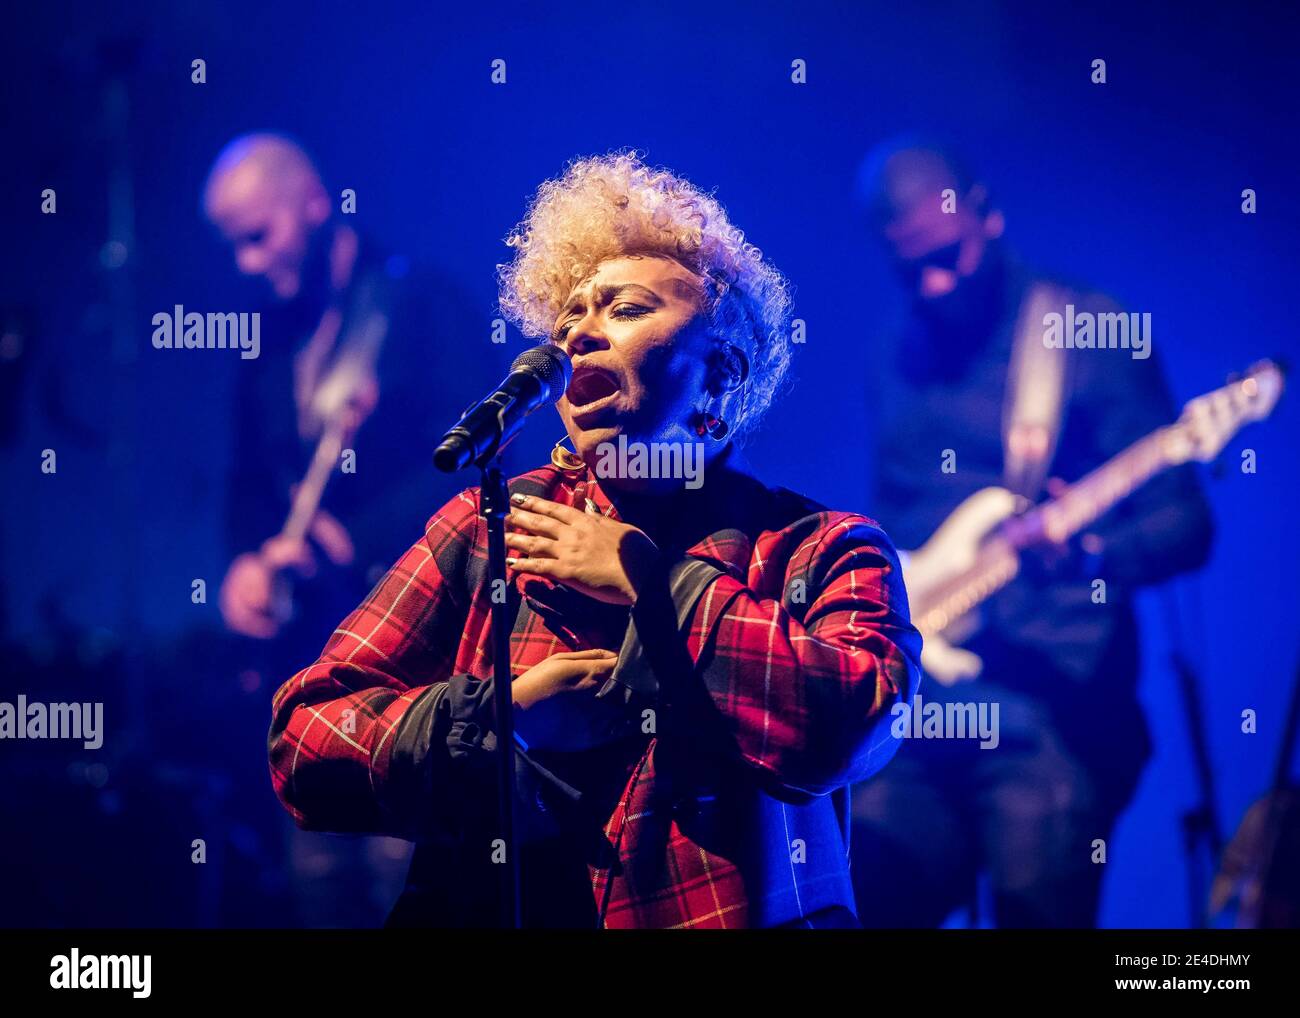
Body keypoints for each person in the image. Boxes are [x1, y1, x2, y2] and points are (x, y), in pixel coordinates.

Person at [267, 151, 922, 928]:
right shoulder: (490, 527)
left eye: (626, 308)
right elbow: (304, 742)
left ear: (721, 373)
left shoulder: (818, 549)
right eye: (569, 315)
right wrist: (499, 715)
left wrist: (653, 585)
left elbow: (854, 725)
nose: (577, 334)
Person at [849, 140, 1215, 928]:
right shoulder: (893, 353)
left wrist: (1089, 553)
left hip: (1051, 711)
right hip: (920, 707)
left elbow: (1187, 524)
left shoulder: (1084, 331)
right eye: (909, 270)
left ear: (987, 212)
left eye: (947, 258)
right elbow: (897, 526)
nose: (934, 285)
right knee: (853, 893)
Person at [203, 132, 492, 925]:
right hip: (312, 657)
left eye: (258, 237)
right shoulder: (269, 337)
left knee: (410, 884)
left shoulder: (419, 303)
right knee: (319, 882)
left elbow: (479, 459)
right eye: (234, 246)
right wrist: (242, 565)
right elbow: (247, 482)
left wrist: (353, 540)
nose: (248, 264)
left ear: (315, 204)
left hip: (418, 650)